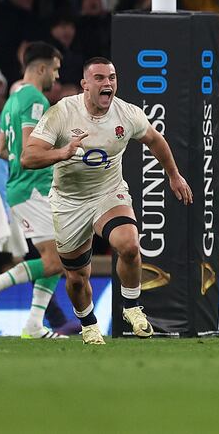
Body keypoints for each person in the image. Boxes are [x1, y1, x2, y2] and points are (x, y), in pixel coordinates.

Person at [21, 57, 193, 344]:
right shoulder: (62, 113)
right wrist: (61, 154)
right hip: (69, 201)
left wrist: (174, 175)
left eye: (112, 77)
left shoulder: (127, 114)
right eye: (99, 78)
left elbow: (155, 139)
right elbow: (29, 156)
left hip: (108, 192)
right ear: (85, 85)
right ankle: (88, 323)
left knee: (128, 244)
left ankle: (132, 307)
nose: (108, 83)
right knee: (76, 278)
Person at [0, 42, 68, 339]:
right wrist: (63, 153)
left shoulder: (11, 102)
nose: (57, 77)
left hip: (23, 188)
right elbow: (28, 152)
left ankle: (35, 325)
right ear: (42, 68)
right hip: (33, 189)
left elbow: (2, 150)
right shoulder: (35, 100)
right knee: (57, 259)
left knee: (59, 257)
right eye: (55, 70)